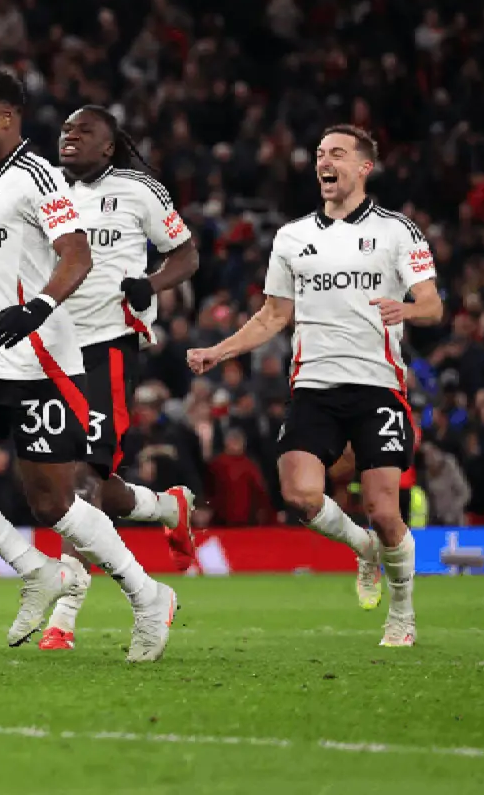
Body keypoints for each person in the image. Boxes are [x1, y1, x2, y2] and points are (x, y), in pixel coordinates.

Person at [0, 67, 176, 663]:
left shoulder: (38, 176)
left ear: (7, 117)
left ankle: (148, 594)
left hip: (43, 364)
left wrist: (39, 308)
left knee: (54, 504)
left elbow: (76, 255)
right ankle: (34, 572)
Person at [188, 125, 440, 647]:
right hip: (314, 385)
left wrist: (410, 308)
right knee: (301, 495)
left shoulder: (399, 232)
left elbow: (433, 304)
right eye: (321, 154)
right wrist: (220, 350)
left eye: (338, 154)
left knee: (385, 510)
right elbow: (273, 315)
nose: (325, 162)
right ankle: (363, 550)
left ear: (364, 167)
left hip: (377, 386)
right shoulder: (292, 237)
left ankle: (402, 613)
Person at [40, 106, 202, 650]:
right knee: (68, 484)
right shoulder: (44, 190)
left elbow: (186, 254)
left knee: (83, 478)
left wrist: (151, 285)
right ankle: (166, 507)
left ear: (108, 147)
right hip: (50, 350)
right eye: (66, 130)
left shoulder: (138, 190)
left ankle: (66, 613)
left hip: (106, 343)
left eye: (83, 132)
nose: (70, 137)